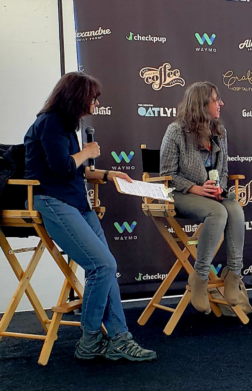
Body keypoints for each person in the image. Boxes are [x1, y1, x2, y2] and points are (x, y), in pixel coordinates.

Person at [24, 72, 156, 362]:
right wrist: (87, 151)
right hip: (53, 202)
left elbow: (79, 170)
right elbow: (60, 167)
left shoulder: (68, 125)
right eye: (93, 97)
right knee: (103, 265)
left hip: (78, 203)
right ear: (76, 97)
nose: (96, 103)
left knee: (105, 268)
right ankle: (90, 340)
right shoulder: (49, 123)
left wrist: (109, 175)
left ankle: (119, 338)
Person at [160, 81, 250, 314]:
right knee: (217, 212)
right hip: (179, 195)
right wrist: (196, 188)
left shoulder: (220, 132)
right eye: (215, 99)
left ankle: (233, 274)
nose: (221, 103)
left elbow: (224, 171)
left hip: (211, 195)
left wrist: (218, 188)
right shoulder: (176, 131)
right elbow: (167, 175)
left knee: (236, 210)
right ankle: (199, 278)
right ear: (201, 104)